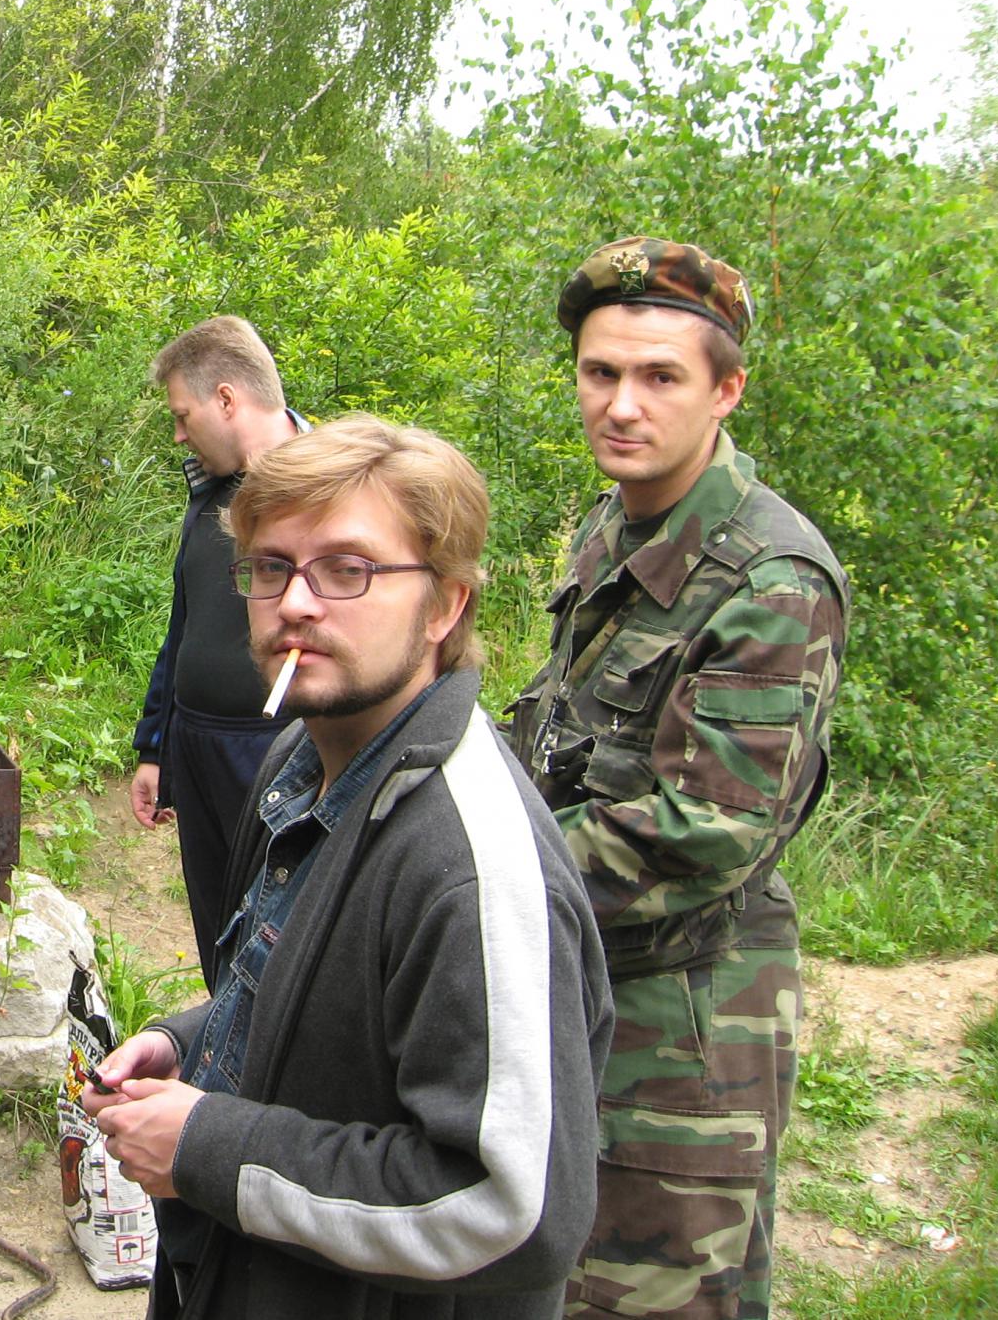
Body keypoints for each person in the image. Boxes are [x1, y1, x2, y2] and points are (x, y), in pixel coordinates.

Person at [84, 414, 613, 1320]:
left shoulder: (468, 866)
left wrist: (208, 1146)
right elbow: (314, 985)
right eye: (270, 566)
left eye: (347, 569)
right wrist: (191, 1042)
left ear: (444, 605)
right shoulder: (302, 759)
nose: (295, 602)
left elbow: (512, 1209)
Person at [511, 237, 848, 1320]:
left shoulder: (771, 576)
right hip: (590, 971)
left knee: (649, 1291)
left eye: (660, 376)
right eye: (600, 372)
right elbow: (566, 721)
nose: (621, 404)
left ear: (725, 390)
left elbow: (705, 829)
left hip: (686, 1014)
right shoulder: (617, 520)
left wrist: (484, 867)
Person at [130, 317, 306, 959]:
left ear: (227, 399)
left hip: (277, 753)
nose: (179, 434)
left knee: (280, 937)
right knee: (217, 935)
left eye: (183, 416)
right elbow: (185, 624)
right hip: (196, 746)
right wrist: (156, 748)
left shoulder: (328, 484)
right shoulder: (209, 491)